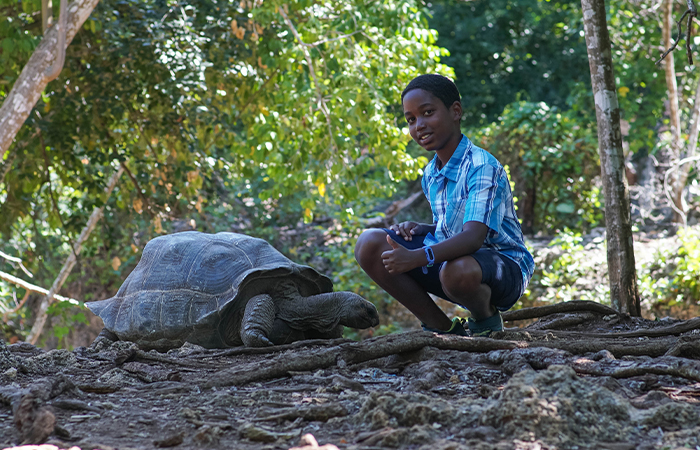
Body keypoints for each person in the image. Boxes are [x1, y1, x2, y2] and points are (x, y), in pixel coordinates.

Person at [354, 74, 534, 337]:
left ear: (455, 111)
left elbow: (473, 237)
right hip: (455, 263)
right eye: (411, 120)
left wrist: (416, 257)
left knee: (456, 270)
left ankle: (485, 321)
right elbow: (451, 229)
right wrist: (423, 229)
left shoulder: (481, 166)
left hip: (503, 269)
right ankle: (442, 328)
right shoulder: (431, 173)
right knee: (369, 243)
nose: (420, 126)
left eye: (428, 113)